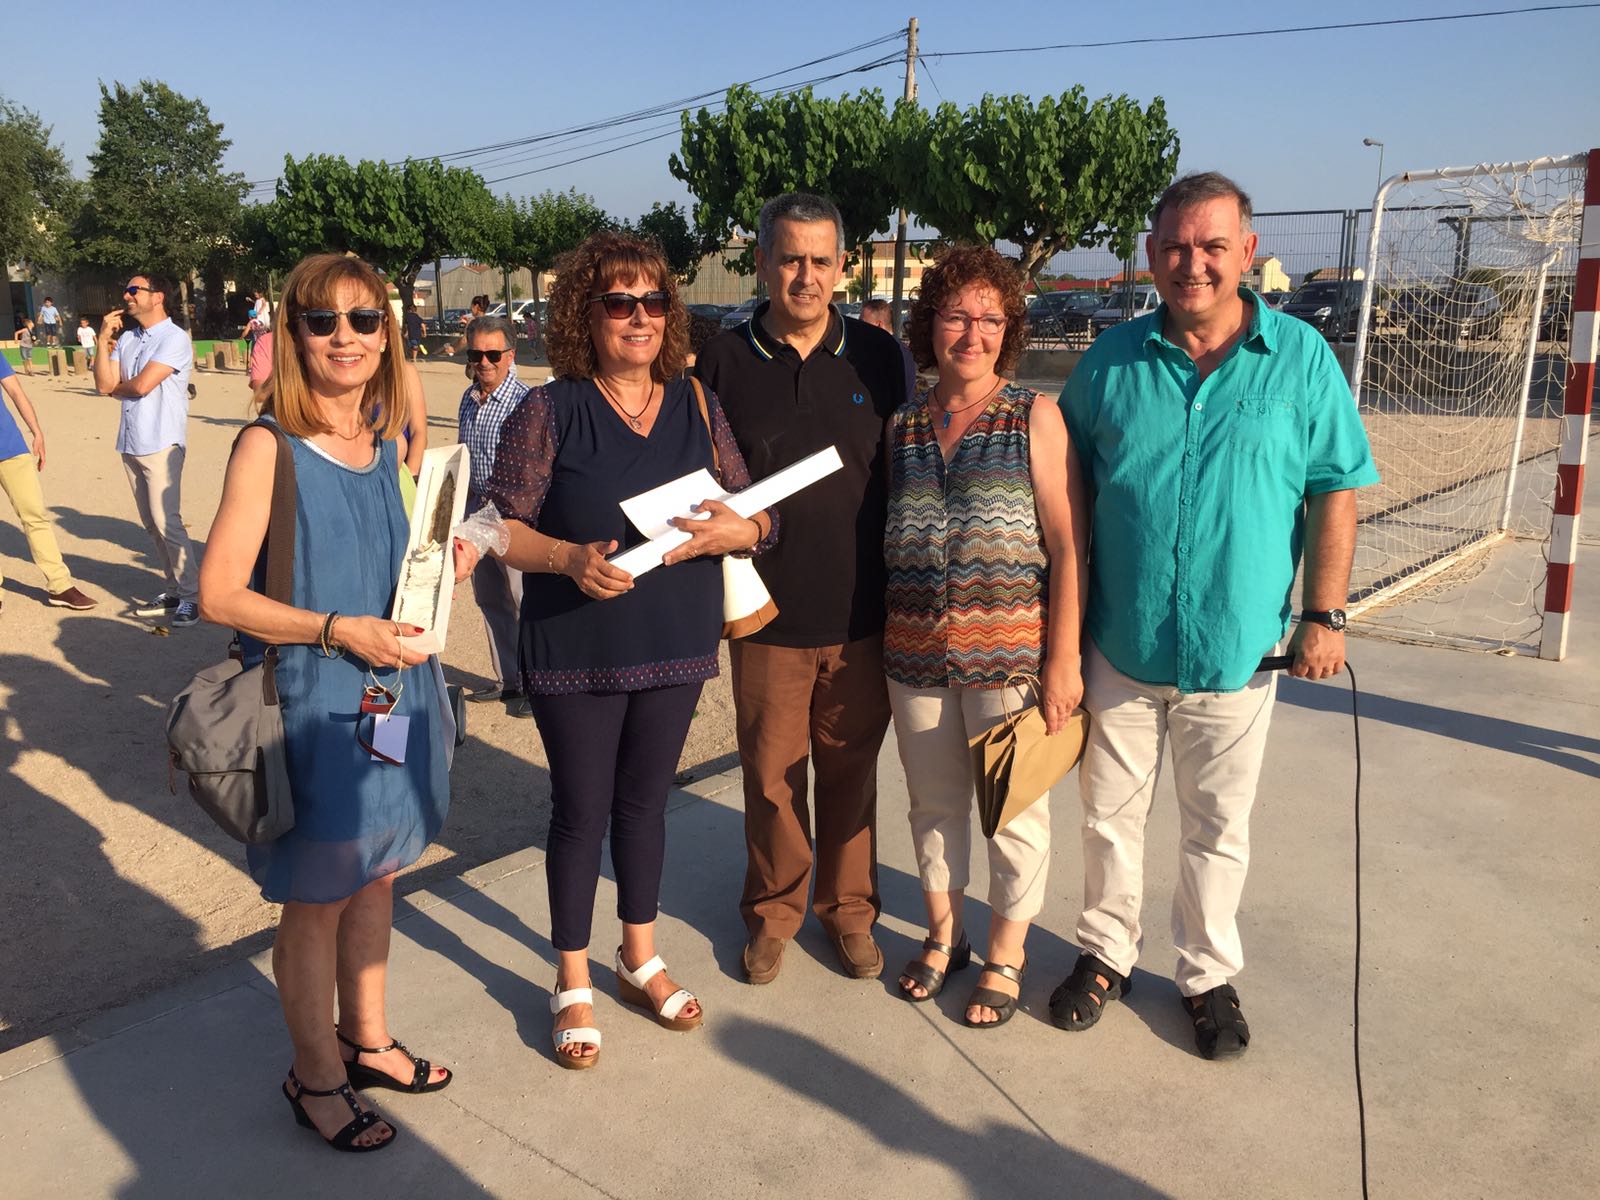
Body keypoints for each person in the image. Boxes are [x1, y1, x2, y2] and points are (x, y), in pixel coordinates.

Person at [1055, 171, 1379, 1059]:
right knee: (1108, 818)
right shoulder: (1110, 362)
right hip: (1120, 643)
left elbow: (1334, 490)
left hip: (1238, 650)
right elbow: (1066, 490)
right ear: (1152, 254)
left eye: (1211, 246)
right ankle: (1106, 953)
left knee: (1217, 828)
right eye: (1174, 247)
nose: (1191, 263)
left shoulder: (1301, 359)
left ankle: (1203, 974)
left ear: (1247, 252)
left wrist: (1325, 614)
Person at [463, 230, 773, 1068]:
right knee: (580, 809)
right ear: (585, 314)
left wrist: (744, 530)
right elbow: (496, 526)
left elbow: (758, 508)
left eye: (653, 301)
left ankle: (639, 956)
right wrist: (568, 557)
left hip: (675, 640)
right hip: (576, 644)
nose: (640, 317)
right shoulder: (549, 409)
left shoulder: (697, 403)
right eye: (619, 302)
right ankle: (571, 978)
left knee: (644, 805)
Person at [198, 252, 457, 1151]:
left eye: (363, 318)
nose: (345, 336)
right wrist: (337, 629)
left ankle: (367, 1040)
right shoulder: (269, 447)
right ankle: (314, 1076)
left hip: (391, 696)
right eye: (322, 320)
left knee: (379, 871)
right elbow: (219, 594)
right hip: (316, 702)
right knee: (316, 897)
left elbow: (392, 562)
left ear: (387, 334)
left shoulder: (385, 444)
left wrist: (443, 565)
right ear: (293, 333)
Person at [691, 193, 911, 985]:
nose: (806, 276)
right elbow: (704, 486)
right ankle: (774, 914)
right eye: (790, 259)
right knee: (771, 779)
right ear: (762, 262)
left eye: (821, 261)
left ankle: (849, 912)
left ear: (843, 266)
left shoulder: (880, 358)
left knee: (851, 775)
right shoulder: (722, 362)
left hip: (861, 616)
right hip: (767, 618)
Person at [884, 244, 1086, 1027]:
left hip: (1009, 657)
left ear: (1009, 330)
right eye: (956, 316)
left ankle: (1007, 954)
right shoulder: (903, 425)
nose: (972, 333)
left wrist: (1063, 659)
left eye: (990, 319)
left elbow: (1067, 544)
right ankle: (946, 936)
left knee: (1013, 812)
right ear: (929, 323)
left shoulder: (1034, 416)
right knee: (932, 806)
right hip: (913, 652)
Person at [93, 274, 200, 627]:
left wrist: (116, 388)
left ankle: (191, 597)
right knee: (152, 525)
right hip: (131, 442)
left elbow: (140, 386)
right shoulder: (127, 338)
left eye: (134, 290)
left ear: (158, 297)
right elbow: (103, 384)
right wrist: (102, 341)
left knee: (167, 522)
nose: (127, 295)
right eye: (126, 290)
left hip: (162, 442)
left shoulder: (173, 338)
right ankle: (173, 590)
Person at [455, 314, 531, 716]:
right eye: (476, 354)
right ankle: (509, 681)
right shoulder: (467, 400)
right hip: (474, 514)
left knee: (523, 600)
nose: (484, 362)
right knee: (490, 599)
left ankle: (536, 685)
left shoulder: (527, 401)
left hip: (513, 517)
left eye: (493, 354)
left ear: (510, 355)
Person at [0, 354, 97, 612]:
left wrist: (37, 432)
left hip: (11, 447)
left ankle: (60, 585)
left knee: (35, 516)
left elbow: (15, 391)